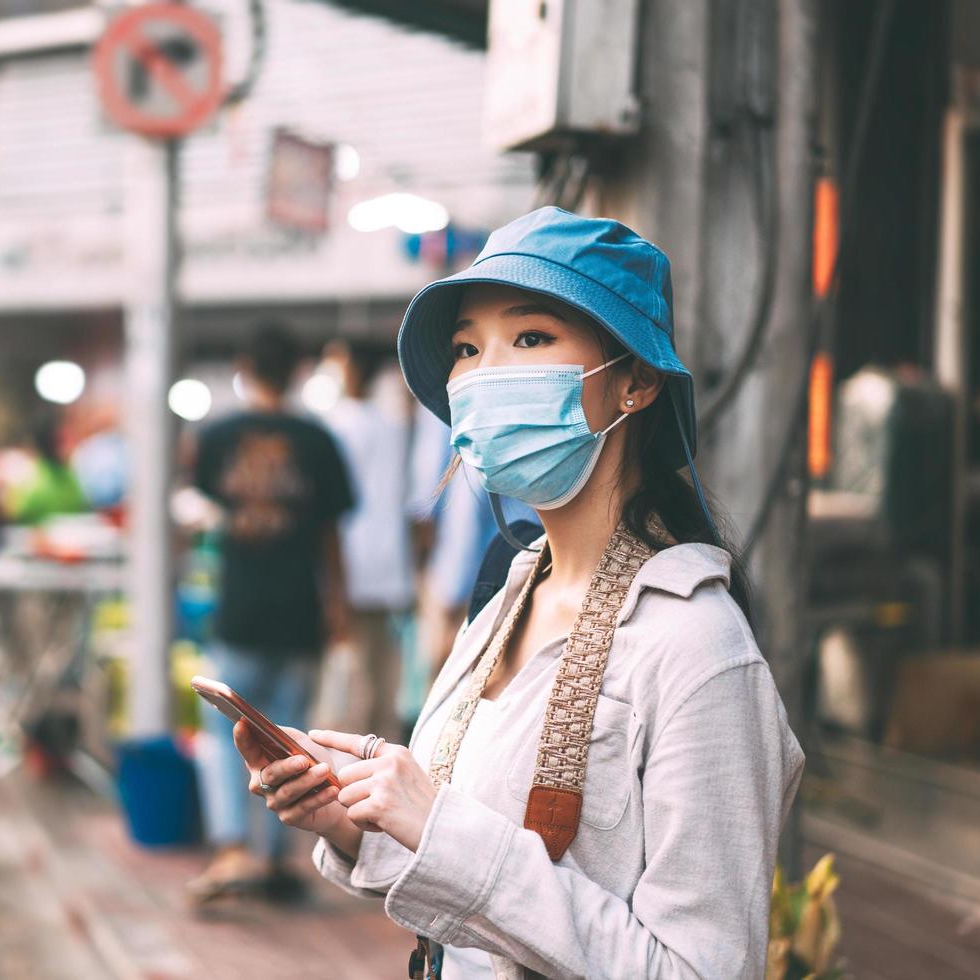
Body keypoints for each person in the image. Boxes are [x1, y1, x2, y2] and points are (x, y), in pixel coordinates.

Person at [235, 209, 804, 978]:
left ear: (634, 381)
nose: (486, 372)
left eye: (530, 338)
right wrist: (352, 821)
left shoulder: (698, 650)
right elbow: (471, 885)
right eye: (467, 348)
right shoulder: (508, 599)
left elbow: (701, 969)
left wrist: (437, 825)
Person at [188, 322, 354, 904]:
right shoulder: (317, 441)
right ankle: (278, 858)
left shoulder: (219, 436)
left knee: (221, 735)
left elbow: (205, 513)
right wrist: (339, 610)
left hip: (239, 608)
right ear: (297, 372)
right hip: (300, 611)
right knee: (290, 741)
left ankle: (233, 849)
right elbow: (332, 537)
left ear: (245, 368)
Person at [317, 339, 413, 744]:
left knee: (350, 677)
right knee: (384, 675)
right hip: (390, 563)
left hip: (350, 564)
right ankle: (385, 753)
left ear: (350, 370)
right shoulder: (392, 426)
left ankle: (348, 765)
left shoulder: (336, 425)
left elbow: (330, 509)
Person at [4, 416, 87, 526]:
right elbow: (17, 515)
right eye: (64, 441)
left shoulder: (70, 476)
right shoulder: (33, 480)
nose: (72, 445)